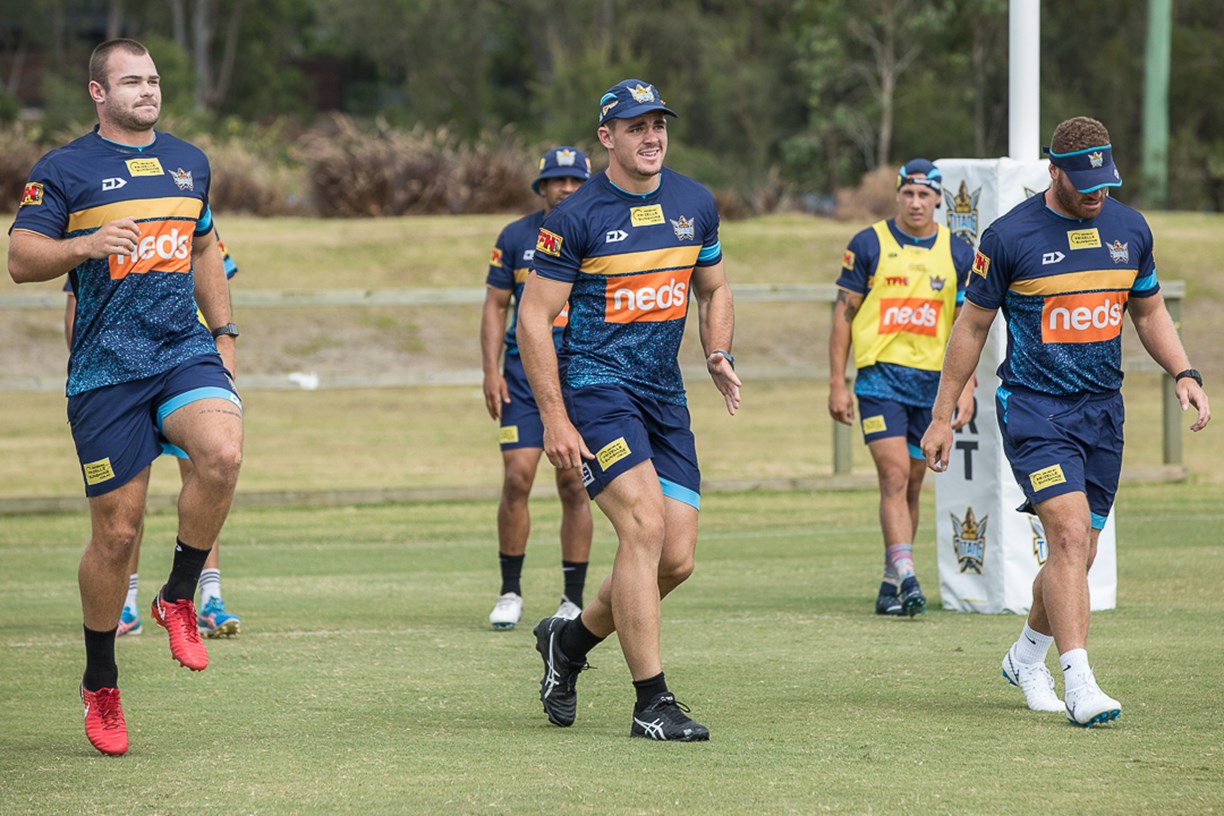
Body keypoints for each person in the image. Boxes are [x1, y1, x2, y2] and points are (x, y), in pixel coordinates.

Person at [921, 116, 1210, 727]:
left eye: (1105, 181)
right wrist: (942, 416)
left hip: (1103, 413)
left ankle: (1026, 657)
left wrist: (1184, 371)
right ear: (1053, 171)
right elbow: (971, 327)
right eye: (1084, 182)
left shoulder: (1130, 229)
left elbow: (1149, 311)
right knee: (1070, 536)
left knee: (1078, 552)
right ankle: (1079, 682)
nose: (1097, 192)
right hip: (1035, 410)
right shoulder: (1008, 237)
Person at [8, 38, 244, 756]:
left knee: (222, 455)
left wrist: (224, 333)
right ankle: (101, 681)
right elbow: (20, 259)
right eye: (132, 81)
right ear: (98, 92)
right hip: (105, 369)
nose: (148, 91)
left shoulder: (189, 162)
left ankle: (178, 594)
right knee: (117, 533)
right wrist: (81, 246)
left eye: (154, 80)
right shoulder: (63, 169)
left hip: (181, 349)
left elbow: (204, 248)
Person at [517, 79, 741, 742]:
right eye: (636, 126)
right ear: (607, 137)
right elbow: (533, 319)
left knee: (676, 560)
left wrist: (718, 350)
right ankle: (652, 703)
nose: (651, 137)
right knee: (643, 527)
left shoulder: (695, 202)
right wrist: (555, 417)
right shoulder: (575, 217)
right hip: (596, 391)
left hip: (664, 396)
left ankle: (568, 643)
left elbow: (714, 288)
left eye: (658, 125)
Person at [62, 236, 243, 639]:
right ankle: (126, 603)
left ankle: (209, 597)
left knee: (207, 476)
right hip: (119, 373)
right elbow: (75, 302)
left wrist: (221, 345)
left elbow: (216, 279)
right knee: (128, 498)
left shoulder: (194, 225)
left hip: (186, 370)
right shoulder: (103, 226)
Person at [828, 158, 977, 618]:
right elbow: (844, 316)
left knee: (912, 484)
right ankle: (909, 574)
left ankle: (891, 582)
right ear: (898, 195)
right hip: (880, 380)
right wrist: (837, 382)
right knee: (892, 476)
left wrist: (966, 387)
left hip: (932, 386)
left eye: (924, 195)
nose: (915, 202)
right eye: (908, 193)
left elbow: (967, 329)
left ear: (938, 200)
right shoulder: (868, 243)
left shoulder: (957, 253)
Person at [482, 147, 595, 630]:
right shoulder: (515, 237)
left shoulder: (600, 229)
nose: (566, 188)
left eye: (575, 180)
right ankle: (510, 591)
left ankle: (573, 599)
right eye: (557, 180)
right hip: (523, 376)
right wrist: (490, 370)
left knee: (573, 482)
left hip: (579, 373)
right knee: (517, 478)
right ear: (541, 187)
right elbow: (495, 306)